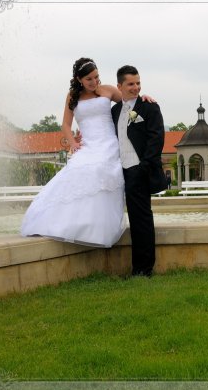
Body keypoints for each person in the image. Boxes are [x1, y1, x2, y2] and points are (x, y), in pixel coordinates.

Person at [21, 57, 153, 247]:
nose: (94, 81)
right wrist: (73, 143)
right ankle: (70, 224)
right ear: (79, 79)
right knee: (77, 170)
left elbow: (130, 99)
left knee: (101, 170)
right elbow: (65, 124)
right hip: (88, 145)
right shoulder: (72, 96)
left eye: (96, 77)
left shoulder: (108, 90)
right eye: (89, 79)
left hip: (109, 144)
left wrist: (144, 97)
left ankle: (99, 228)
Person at [112, 65, 167, 277]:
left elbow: (156, 138)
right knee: (132, 220)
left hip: (139, 170)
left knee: (141, 220)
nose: (136, 87)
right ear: (120, 86)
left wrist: (143, 167)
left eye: (138, 83)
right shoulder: (115, 111)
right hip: (120, 171)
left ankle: (144, 269)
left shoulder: (149, 107)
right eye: (131, 84)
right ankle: (138, 267)